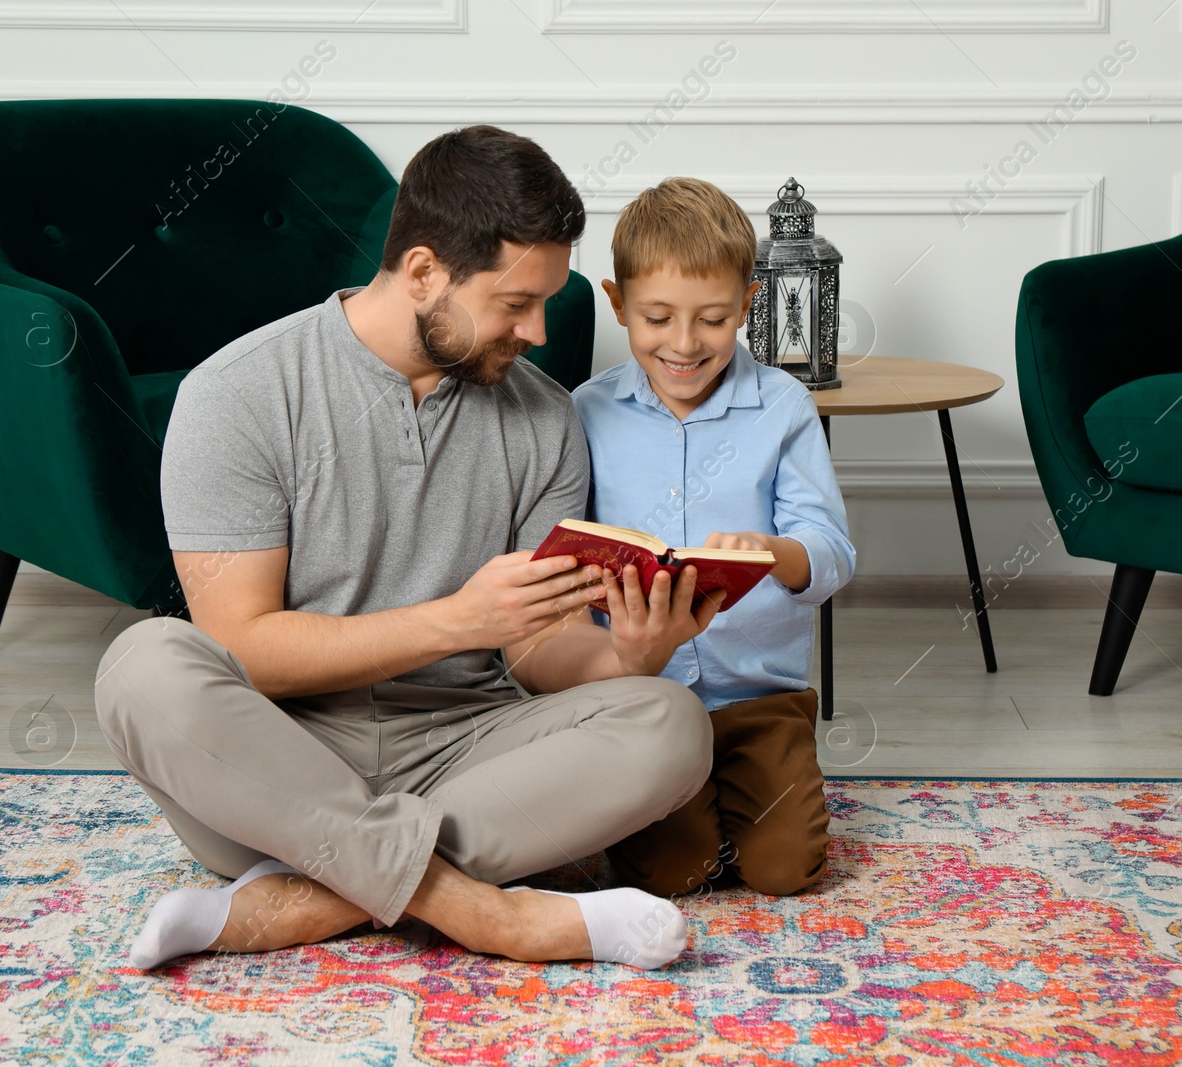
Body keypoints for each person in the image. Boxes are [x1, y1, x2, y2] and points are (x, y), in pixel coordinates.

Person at [94, 126, 732, 973]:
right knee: (142, 665)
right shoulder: (237, 395)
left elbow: (536, 649)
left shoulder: (543, 419)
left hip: (471, 751)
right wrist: (455, 620)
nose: (540, 331)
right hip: (277, 756)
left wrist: (629, 655)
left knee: (671, 724)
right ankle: (487, 913)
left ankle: (291, 901)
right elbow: (246, 649)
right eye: (516, 304)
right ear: (425, 271)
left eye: (546, 301)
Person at [572, 177, 856, 899]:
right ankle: (692, 811)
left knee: (784, 872)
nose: (685, 343)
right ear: (618, 304)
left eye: (713, 319)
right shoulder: (585, 412)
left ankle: (746, 800)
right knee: (672, 875)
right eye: (657, 317)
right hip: (643, 698)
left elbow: (830, 550)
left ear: (748, 306)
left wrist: (775, 554)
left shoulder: (784, 407)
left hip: (759, 702)